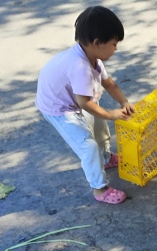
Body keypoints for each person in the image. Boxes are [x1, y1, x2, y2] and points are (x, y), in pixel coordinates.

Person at [36, 6, 134, 205]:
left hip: (75, 101)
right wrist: (111, 114)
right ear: (97, 43)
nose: (116, 49)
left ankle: (105, 158)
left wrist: (123, 101)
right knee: (87, 146)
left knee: (99, 128)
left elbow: (108, 83)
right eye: (114, 44)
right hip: (59, 109)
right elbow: (85, 103)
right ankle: (99, 189)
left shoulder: (94, 58)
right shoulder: (80, 66)